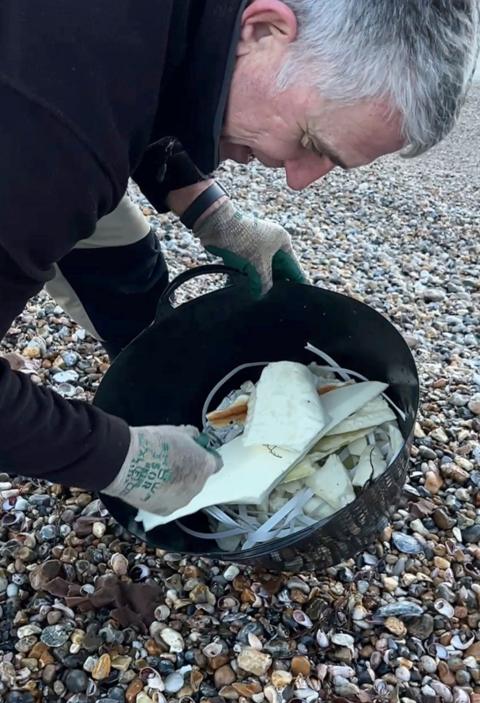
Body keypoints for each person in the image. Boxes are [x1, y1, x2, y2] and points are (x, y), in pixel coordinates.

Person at [0, 0, 478, 517]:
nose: (299, 179)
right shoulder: (46, 141)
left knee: (126, 262)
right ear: (265, 28)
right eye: (310, 141)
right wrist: (118, 459)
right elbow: (81, 123)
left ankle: (150, 375)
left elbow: (151, 84)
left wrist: (212, 214)